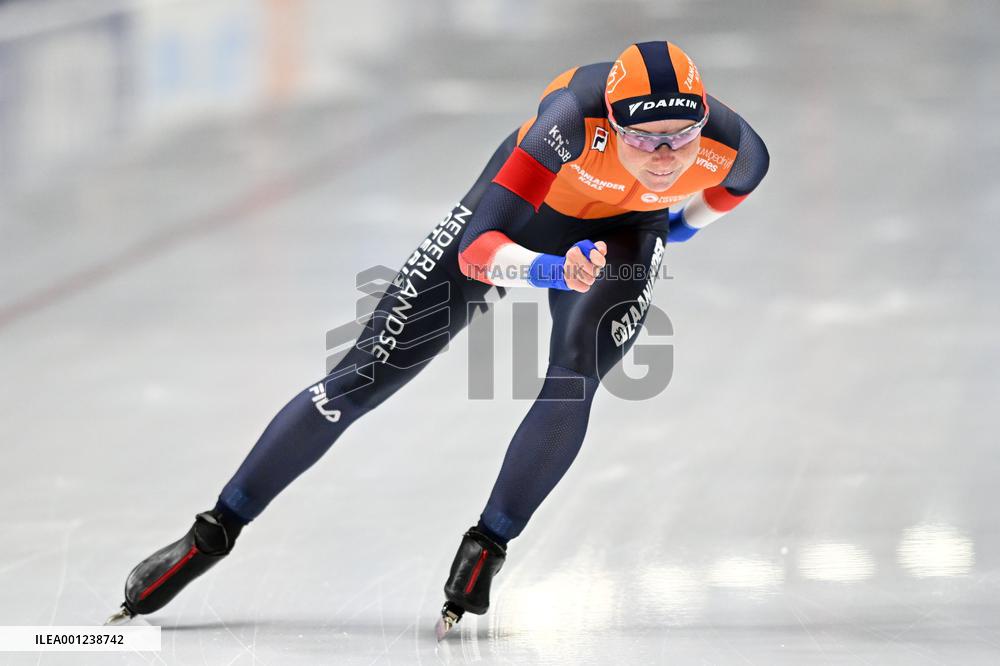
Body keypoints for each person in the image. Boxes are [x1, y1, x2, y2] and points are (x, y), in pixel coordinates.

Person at [106, 41, 769, 637]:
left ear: (703, 123)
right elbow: (479, 252)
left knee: (574, 377)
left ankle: (488, 545)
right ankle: (213, 532)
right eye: (644, 140)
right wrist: (550, 269)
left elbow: (741, 182)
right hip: (521, 219)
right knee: (362, 378)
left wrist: (679, 228)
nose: (664, 157)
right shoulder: (569, 119)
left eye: (680, 138)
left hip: (625, 231)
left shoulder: (735, 145)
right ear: (612, 125)